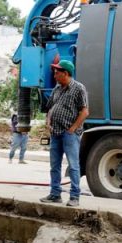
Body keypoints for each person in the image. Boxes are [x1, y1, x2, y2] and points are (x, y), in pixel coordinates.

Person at [40, 60, 89, 207]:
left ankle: (74, 197)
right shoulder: (57, 89)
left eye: (57, 73)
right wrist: (48, 121)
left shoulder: (78, 88)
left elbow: (84, 111)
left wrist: (73, 128)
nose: (54, 75)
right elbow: (50, 107)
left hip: (69, 134)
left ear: (65, 73)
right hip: (55, 133)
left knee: (73, 165)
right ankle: (55, 194)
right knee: (54, 166)